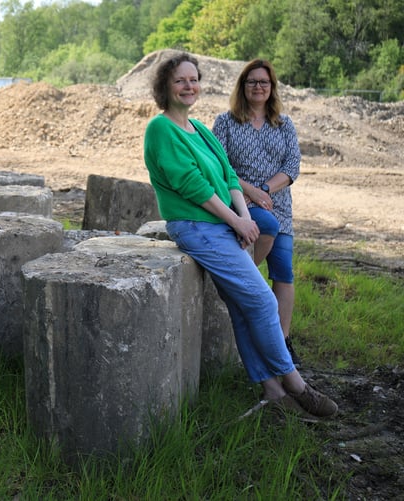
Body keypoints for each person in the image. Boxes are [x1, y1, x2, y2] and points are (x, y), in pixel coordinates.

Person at [142, 51, 336, 419]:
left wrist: (245, 218)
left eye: (193, 79)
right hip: (197, 227)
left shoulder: (198, 129)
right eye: (180, 80)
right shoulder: (161, 128)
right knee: (263, 302)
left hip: (224, 225)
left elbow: (229, 176)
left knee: (243, 307)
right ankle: (295, 383)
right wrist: (235, 221)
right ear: (165, 85)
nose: (189, 86)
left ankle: (273, 391)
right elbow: (190, 184)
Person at [212, 59, 302, 368]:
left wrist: (267, 189)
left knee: (284, 273)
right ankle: (247, 302)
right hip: (239, 204)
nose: (258, 87)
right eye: (252, 82)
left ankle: (283, 342)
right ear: (242, 86)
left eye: (264, 82)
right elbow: (219, 165)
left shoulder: (284, 124)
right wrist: (252, 192)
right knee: (255, 257)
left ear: (272, 87)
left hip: (280, 205)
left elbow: (292, 167)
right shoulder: (225, 122)